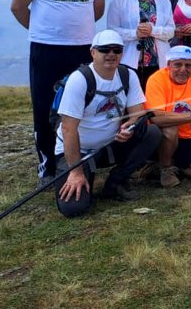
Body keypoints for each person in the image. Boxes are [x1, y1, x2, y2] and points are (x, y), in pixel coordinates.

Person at [11, 0, 107, 185]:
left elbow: (97, 9)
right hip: (46, 48)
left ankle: (78, 157)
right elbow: (18, 7)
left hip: (82, 48)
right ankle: (47, 166)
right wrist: (41, 31)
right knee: (44, 106)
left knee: (83, 104)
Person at [53, 30, 161, 217]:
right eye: (105, 50)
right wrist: (76, 172)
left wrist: (130, 126)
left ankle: (116, 182)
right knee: (73, 208)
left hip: (112, 144)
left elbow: (137, 113)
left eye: (117, 50)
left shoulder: (128, 75)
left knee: (152, 133)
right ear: (93, 52)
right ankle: (82, 174)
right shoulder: (79, 80)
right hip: (79, 151)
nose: (111, 54)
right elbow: (68, 128)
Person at [145, 46, 191, 187]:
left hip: (187, 136)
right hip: (160, 138)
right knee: (170, 129)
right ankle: (165, 169)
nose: (183, 69)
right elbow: (155, 118)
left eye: (188, 65)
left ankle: (170, 166)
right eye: (178, 64)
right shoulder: (156, 79)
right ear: (168, 65)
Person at [107, 0, 175, 89]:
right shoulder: (118, 1)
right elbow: (112, 31)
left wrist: (152, 30)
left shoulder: (164, 1)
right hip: (129, 60)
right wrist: (135, 33)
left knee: (155, 101)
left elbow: (171, 31)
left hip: (159, 61)